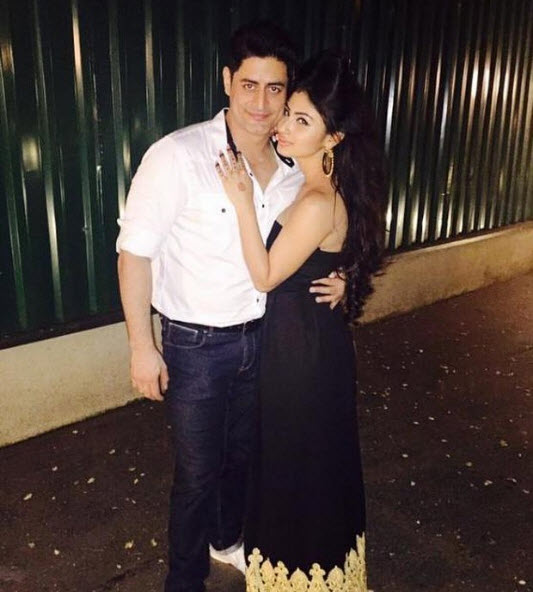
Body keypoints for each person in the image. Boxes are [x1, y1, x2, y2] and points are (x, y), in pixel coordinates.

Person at [116, 22, 345, 592]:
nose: (262, 103)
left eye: (275, 89)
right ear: (226, 81)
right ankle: (184, 578)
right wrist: (142, 346)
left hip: (265, 340)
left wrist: (342, 275)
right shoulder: (179, 155)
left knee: (243, 459)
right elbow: (134, 252)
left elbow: (327, 229)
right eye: (249, 85)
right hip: (197, 345)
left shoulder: (293, 164)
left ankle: (226, 540)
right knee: (197, 473)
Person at [216, 50, 387, 591]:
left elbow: (266, 275)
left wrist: (243, 201)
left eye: (302, 120)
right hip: (304, 342)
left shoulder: (315, 199)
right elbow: (353, 243)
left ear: (332, 138)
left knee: (298, 462)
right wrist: (348, 277)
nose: (284, 126)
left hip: (301, 354)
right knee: (304, 460)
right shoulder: (312, 187)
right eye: (288, 112)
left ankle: (301, 576)